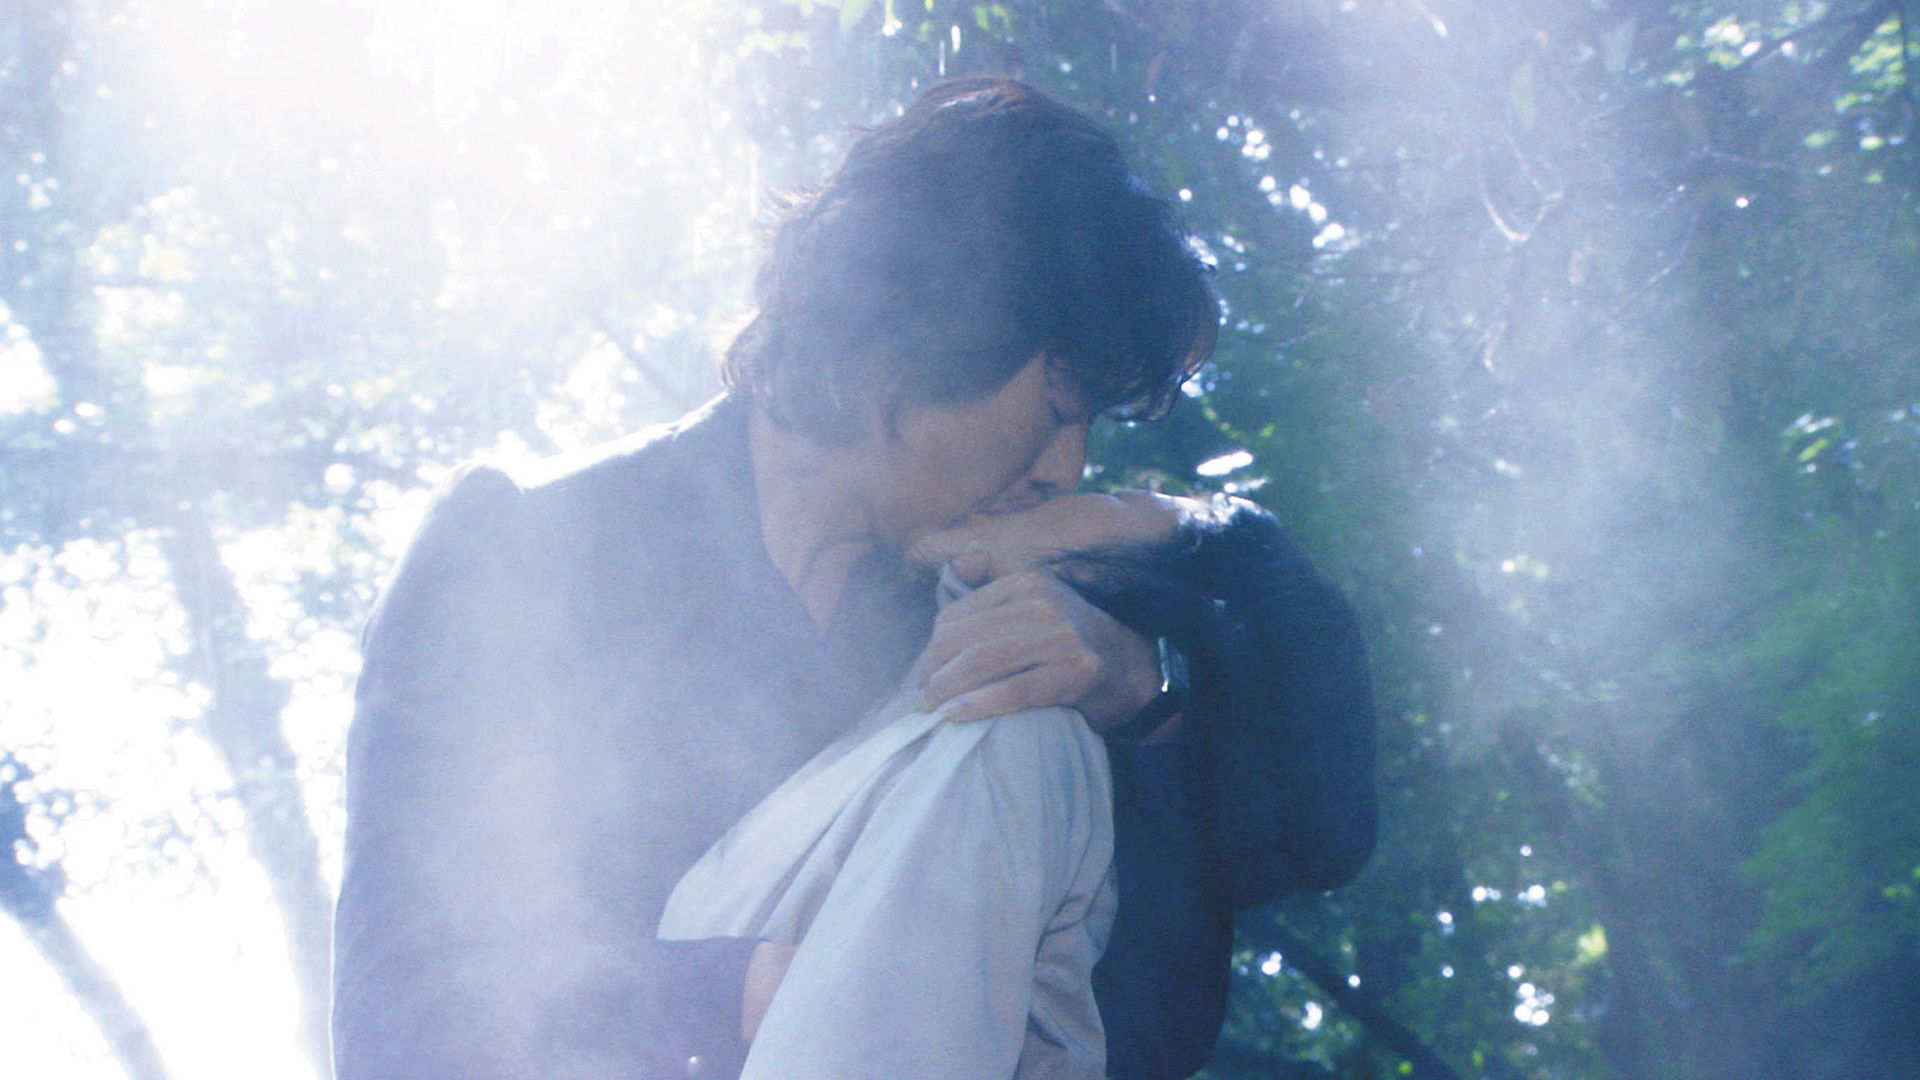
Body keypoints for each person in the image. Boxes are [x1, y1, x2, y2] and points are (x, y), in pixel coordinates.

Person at [330, 77, 1376, 1080]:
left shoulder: (1001, 602)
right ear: (909, 344)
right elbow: (402, 1021)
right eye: (1058, 411)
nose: (1067, 467)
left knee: (1022, 722)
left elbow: (1255, 910)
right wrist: (745, 992)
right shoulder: (525, 552)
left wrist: (1154, 656)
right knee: (1000, 733)